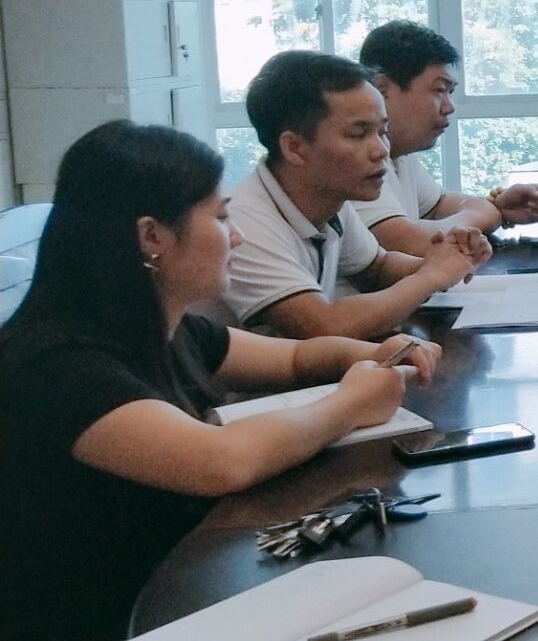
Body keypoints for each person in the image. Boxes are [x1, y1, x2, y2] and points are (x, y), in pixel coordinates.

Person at [0, 121, 441, 641]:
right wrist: (350, 404)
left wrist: (374, 354)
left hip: (176, 591)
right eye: (220, 216)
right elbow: (222, 461)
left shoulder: (163, 327)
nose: (236, 235)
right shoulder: (58, 364)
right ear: (152, 236)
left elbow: (296, 359)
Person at [224, 50, 487, 340]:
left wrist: (445, 259)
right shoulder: (244, 224)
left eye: (382, 132)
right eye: (358, 134)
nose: (381, 150)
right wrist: (431, 276)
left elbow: (377, 269)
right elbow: (324, 327)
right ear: (294, 148)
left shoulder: (329, 197)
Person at [355, 20, 538, 256]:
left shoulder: (400, 154)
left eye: (450, 92)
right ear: (382, 89)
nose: (449, 107)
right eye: (439, 90)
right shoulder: (355, 159)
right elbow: (410, 242)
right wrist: (485, 214)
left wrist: (497, 207)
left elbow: (438, 206)